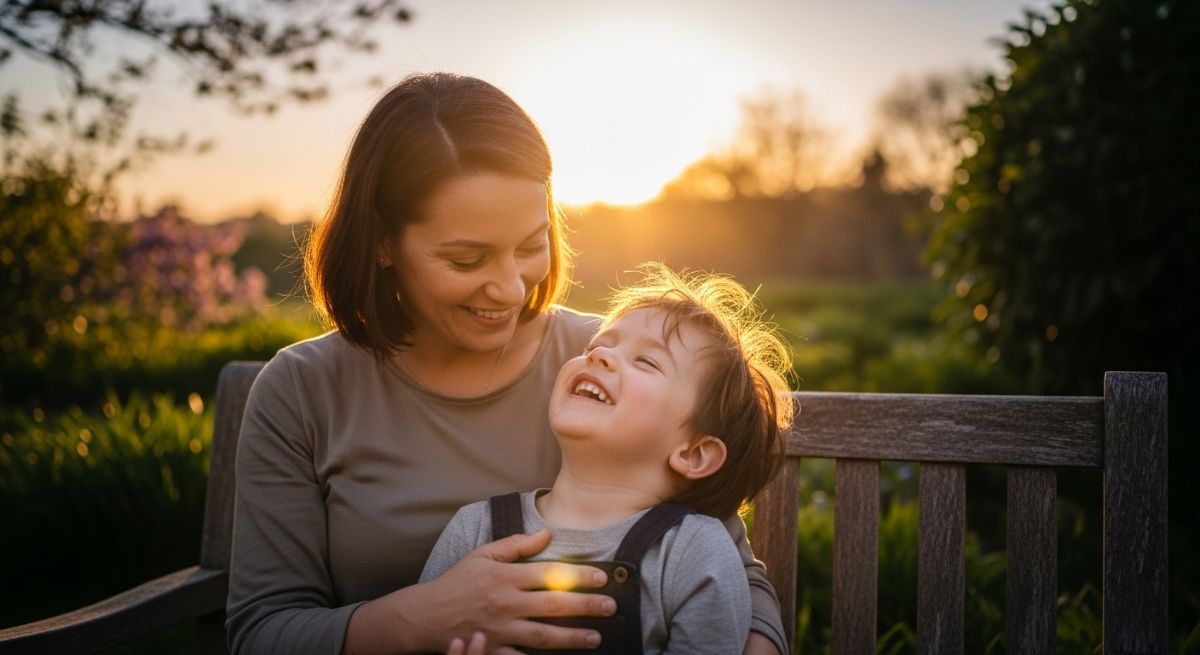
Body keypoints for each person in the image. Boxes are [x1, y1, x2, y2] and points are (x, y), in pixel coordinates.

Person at [225, 72, 788, 655]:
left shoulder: (604, 363)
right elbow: (263, 633)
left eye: (529, 246)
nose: (510, 289)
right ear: (383, 243)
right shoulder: (302, 390)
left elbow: (730, 569)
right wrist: (427, 617)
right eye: (467, 259)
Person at [420, 264, 794, 655]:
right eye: (596, 346)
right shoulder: (474, 530)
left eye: (646, 362)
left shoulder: (693, 552)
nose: (599, 355)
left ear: (694, 454)